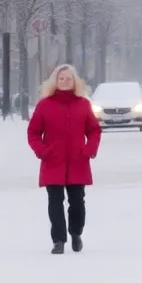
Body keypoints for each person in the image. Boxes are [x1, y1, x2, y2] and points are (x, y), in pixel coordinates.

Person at [27, 64, 103, 254]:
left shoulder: (83, 104)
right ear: (55, 81)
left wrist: (88, 149)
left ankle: (76, 233)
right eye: (61, 79)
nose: (64, 82)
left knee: (77, 201)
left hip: (78, 161)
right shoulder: (44, 105)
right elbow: (33, 133)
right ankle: (58, 240)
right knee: (55, 201)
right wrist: (44, 151)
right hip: (53, 161)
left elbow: (94, 130)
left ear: (74, 82)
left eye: (68, 79)